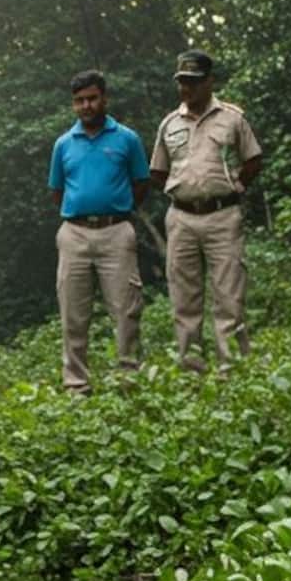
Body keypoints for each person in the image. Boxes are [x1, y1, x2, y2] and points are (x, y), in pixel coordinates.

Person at [149, 50, 263, 373]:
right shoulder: (169, 124)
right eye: (183, 82)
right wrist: (181, 189)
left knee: (229, 295)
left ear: (209, 81)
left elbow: (253, 159)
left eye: (194, 82)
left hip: (223, 214)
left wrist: (236, 185)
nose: (187, 88)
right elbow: (157, 171)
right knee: (184, 299)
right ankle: (191, 371)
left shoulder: (232, 118)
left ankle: (234, 370)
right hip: (182, 217)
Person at [48, 70, 150, 394]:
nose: (86, 106)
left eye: (92, 98)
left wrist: (116, 209)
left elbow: (141, 182)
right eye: (79, 101)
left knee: (126, 309)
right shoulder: (63, 144)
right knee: (73, 313)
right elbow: (57, 190)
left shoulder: (127, 139)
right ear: (73, 105)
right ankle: (76, 384)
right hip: (74, 233)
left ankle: (128, 379)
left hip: (116, 231)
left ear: (104, 98)